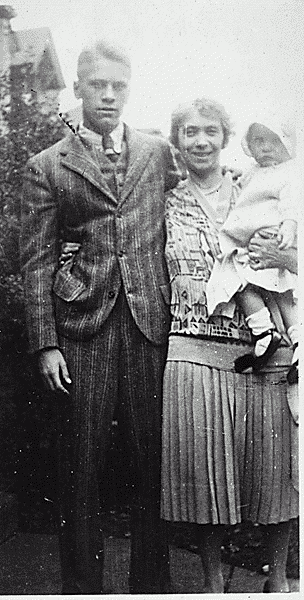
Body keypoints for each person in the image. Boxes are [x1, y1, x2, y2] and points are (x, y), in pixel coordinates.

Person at [20, 40, 179, 594]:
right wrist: (45, 343)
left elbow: (200, 206)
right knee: (79, 470)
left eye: (118, 86)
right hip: (80, 332)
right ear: (79, 89)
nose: (108, 95)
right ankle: (82, 589)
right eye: (98, 85)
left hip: (148, 327)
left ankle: (150, 587)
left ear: (128, 90)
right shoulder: (47, 166)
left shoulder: (158, 153)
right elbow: (36, 259)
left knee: (150, 468)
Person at [160, 98, 298, 593]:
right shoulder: (163, 200)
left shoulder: (259, 187)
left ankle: (279, 582)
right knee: (204, 484)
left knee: (277, 479)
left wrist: (284, 254)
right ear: (176, 142)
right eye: (190, 132)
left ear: (225, 137)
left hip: (266, 351)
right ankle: (214, 586)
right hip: (193, 351)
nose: (200, 141)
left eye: (211, 131)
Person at [206, 118, 298, 382]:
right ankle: (277, 336)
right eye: (259, 142)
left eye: (273, 141)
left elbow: (292, 203)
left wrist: (289, 227)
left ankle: (268, 333)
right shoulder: (254, 171)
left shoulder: (290, 172)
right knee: (276, 289)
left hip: (271, 235)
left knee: (240, 276)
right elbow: (240, 182)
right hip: (253, 237)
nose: (266, 148)